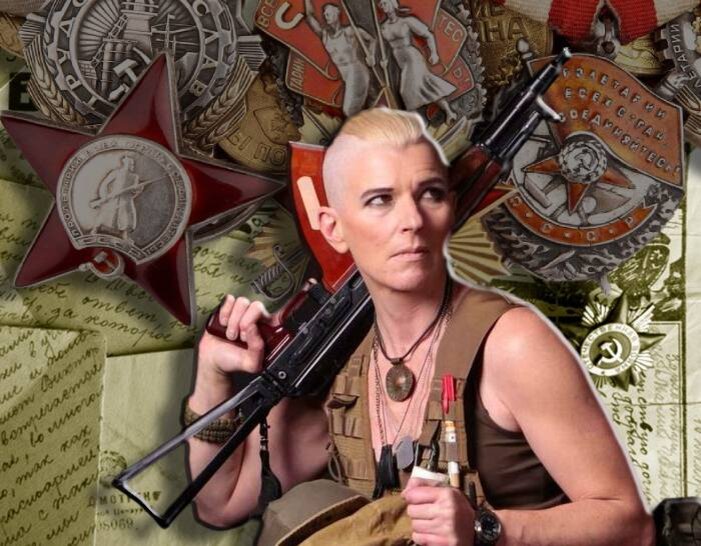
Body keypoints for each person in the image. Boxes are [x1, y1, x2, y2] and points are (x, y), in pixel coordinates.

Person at [187, 108, 655, 545]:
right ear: (333, 228)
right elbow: (220, 504)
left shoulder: (511, 344)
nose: (412, 220)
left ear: (450, 208)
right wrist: (212, 374)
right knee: (303, 511)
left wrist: (487, 527)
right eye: (380, 200)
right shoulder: (340, 364)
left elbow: (631, 526)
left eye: (429, 193)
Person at [377, 0, 457, 123]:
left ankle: (415, 123)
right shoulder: (383, 27)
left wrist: (434, 53)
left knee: (406, 91)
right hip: (399, 61)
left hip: (412, 58)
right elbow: (384, 48)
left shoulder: (407, 21)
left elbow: (428, 35)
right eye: (381, 4)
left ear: (393, 4)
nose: (383, 6)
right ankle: (449, 112)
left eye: (385, 3)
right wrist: (383, 60)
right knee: (426, 86)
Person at [304, 0, 377, 116]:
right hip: (345, 76)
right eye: (324, 14)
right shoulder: (325, 35)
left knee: (349, 111)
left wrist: (371, 55)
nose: (325, 15)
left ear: (336, 14)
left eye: (328, 13)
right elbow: (309, 16)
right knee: (364, 109)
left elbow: (372, 40)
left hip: (356, 71)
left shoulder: (349, 31)